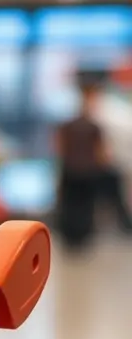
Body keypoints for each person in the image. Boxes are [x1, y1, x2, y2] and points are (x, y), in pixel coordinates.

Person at [56, 82, 132, 250]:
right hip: (88, 171)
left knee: (70, 204)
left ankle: (70, 238)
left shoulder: (68, 125)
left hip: (70, 170)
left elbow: (60, 148)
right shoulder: (94, 127)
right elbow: (101, 153)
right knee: (85, 205)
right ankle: (83, 237)